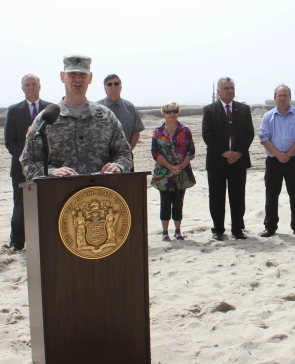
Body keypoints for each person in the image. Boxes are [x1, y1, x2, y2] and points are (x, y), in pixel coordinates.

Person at [20, 55, 133, 179]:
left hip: (100, 193)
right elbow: (29, 162)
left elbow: (125, 154)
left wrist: (118, 166)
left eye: (83, 75)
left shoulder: (106, 117)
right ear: (63, 77)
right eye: (72, 74)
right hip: (59, 193)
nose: (78, 79)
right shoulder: (46, 119)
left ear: (90, 78)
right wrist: (51, 172)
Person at [202, 77, 255, 241]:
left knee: (238, 196)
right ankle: (218, 229)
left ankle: (238, 228)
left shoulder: (244, 109)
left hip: (238, 160)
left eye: (232, 88)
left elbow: (249, 133)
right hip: (217, 161)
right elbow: (207, 135)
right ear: (218, 92)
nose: (230, 91)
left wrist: (238, 152)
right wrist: (225, 152)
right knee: (217, 197)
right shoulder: (209, 110)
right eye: (226, 88)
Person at [3, 74, 50, 251]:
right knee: (20, 205)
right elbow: (9, 141)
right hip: (20, 167)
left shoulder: (50, 108)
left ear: (40, 86)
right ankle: (17, 241)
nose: (30, 87)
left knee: (45, 203)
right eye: (27, 85)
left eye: (33, 84)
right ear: (22, 88)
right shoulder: (14, 111)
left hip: (47, 166)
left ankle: (45, 238)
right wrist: (24, 158)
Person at [259, 84, 295, 238]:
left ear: (290, 97)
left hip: (294, 160)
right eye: (279, 95)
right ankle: (270, 227)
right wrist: (278, 154)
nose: (282, 98)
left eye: (285, 95)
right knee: (271, 195)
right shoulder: (268, 116)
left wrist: (288, 154)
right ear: (275, 98)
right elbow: (264, 137)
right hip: (274, 161)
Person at [151, 102, 196, 241]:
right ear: (163, 114)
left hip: (181, 173)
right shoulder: (157, 132)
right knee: (165, 202)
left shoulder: (185, 130)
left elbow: (191, 150)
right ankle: (165, 232)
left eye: (174, 111)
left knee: (178, 202)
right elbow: (155, 153)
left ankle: (178, 231)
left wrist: (182, 165)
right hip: (163, 174)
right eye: (169, 111)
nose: (172, 114)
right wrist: (170, 167)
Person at [97, 73, 145, 165]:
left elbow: (136, 131)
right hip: (102, 160)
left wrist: (128, 151)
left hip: (125, 159)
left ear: (121, 86)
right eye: (109, 84)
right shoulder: (97, 108)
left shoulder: (130, 107)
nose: (113, 86)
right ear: (105, 88)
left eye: (116, 83)